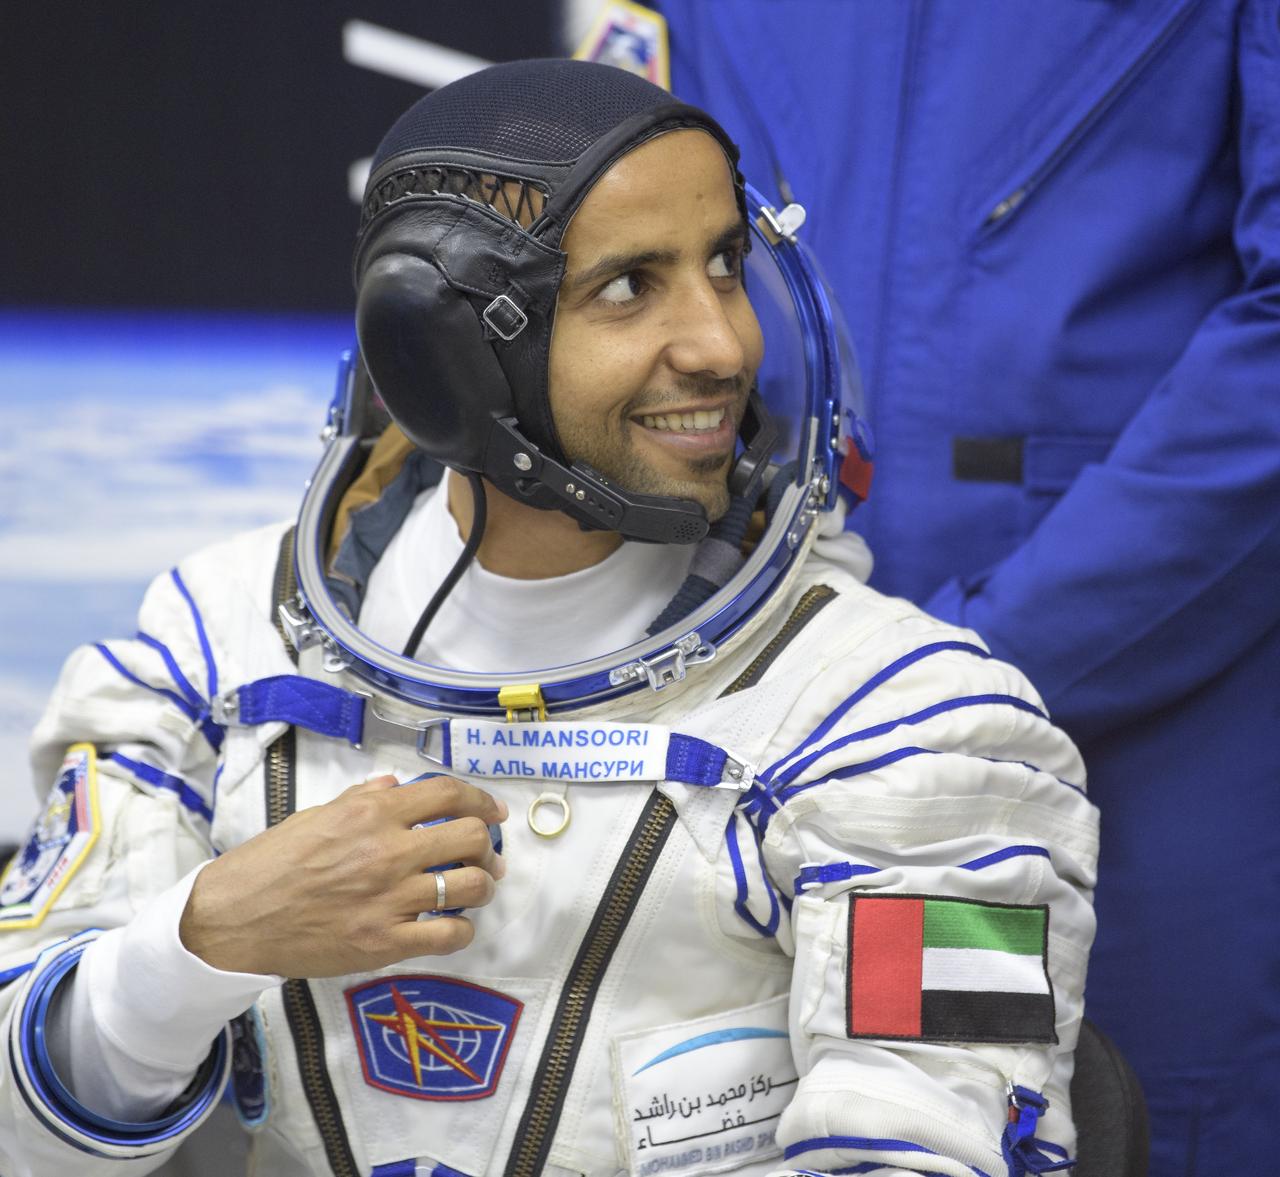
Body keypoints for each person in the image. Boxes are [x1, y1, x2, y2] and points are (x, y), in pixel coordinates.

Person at [0, 60, 1099, 1177]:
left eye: (723, 265)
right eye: (629, 287)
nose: (721, 345)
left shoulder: (913, 726)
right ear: (444, 353)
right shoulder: (212, 653)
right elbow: (17, 1123)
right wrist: (193, 951)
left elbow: (928, 1153)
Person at [646, 2, 1280, 1171]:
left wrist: (963, 671)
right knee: (856, 1122)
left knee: (1120, 1114)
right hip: (769, 694)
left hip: (1146, 722)